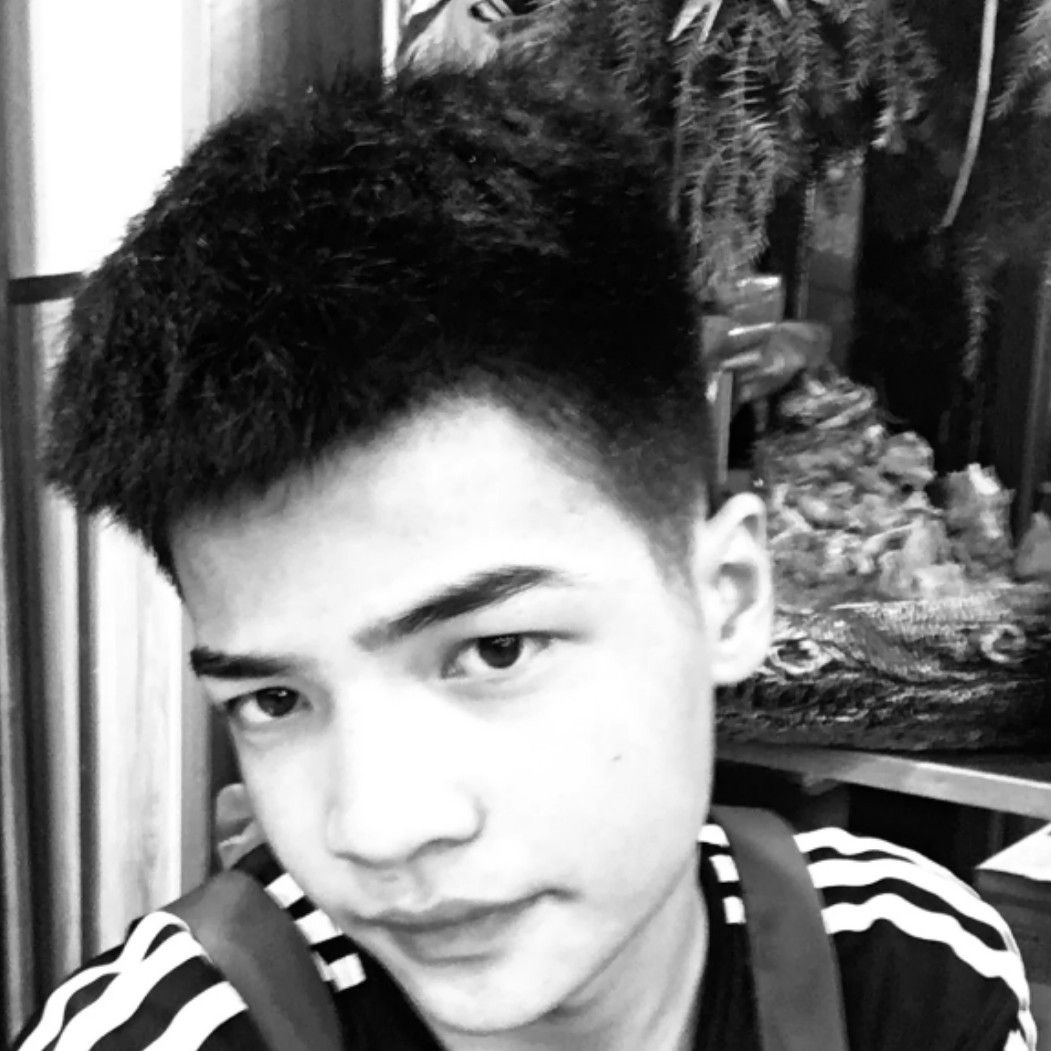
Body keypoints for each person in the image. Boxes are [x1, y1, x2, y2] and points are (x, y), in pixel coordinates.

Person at [15, 60, 1035, 1051]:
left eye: (493, 650)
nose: (376, 827)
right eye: (274, 700)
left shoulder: (897, 973)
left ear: (724, 596)